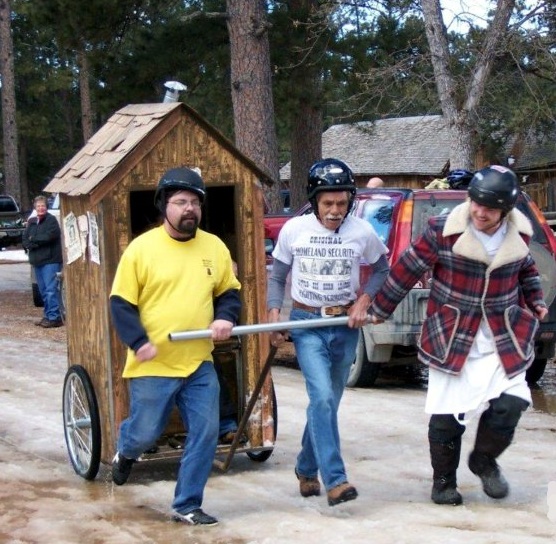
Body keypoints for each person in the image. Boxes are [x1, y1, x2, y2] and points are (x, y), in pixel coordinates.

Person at [369, 165, 548, 506]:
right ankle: (443, 482)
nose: (480, 212)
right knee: (447, 414)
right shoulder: (443, 230)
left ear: (505, 210)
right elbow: (408, 267)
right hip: (453, 333)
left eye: (490, 208)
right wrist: (380, 308)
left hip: (501, 334)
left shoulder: (518, 235)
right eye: (476, 203)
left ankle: (484, 460)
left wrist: (536, 300)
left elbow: (527, 269)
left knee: (512, 404)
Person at [109, 167, 241, 527]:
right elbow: (121, 303)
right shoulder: (142, 249)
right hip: (153, 363)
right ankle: (126, 449)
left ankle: (187, 504)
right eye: (180, 201)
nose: (189, 209)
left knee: (207, 430)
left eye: (195, 202)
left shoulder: (213, 247)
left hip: (198, 361)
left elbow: (229, 291)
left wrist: (225, 317)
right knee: (146, 433)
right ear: (163, 205)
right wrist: (138, 342)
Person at [267, 158, 390, 506]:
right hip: (307, 325)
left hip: (344, 326)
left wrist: (364, 300)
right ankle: (335, 479)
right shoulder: (295, 230)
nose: (335, 210)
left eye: (341, 203)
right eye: (328, 203)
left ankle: (306, 467)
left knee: (327, 404)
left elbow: (382, 269)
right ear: (315, 201)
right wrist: (275, 314)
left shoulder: (362, 232)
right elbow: (277, 277)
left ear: (350, 200)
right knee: (321, 398)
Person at [22, 195, 63, 328]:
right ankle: (47, 315)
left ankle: (55, 317)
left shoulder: (51, 221)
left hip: (50, 261)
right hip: (37, 261)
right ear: (35, 207)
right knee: (43, 291)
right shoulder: (32, 222)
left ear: (46, 207)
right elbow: (25, 238)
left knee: (51, 290)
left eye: (43, 206)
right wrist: (31, 241)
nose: (41, 208)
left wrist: (34, 240)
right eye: (38, 206)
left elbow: (49, 237)